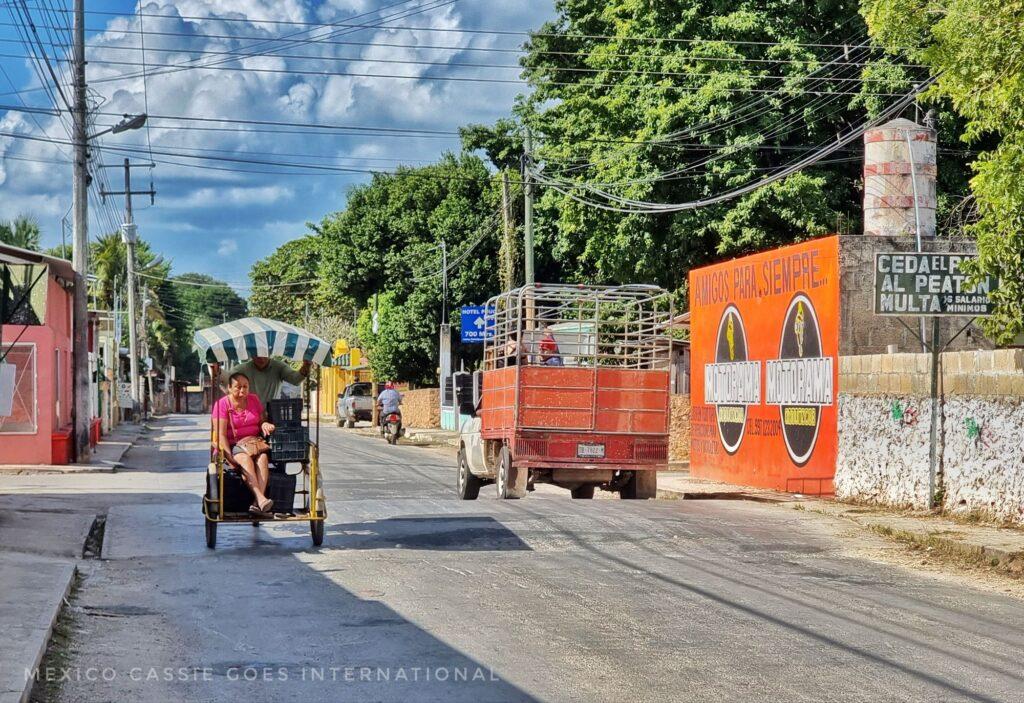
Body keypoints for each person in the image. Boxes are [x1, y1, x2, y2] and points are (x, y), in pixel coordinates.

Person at [212, 372, 276, 515]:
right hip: (232, 446)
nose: (242, 391)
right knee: (246, 460)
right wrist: (230, 459)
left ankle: (256, 503)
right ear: (229, 388)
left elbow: (261, 421)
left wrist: (265, 424)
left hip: (253, 444)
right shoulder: (221, 405)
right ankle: (260, 498)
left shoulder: (253, 400)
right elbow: (221, 435)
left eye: (245, 387)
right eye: (237, 387)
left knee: (263, 458)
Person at [212, 356, 311, 403]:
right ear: (252, 354)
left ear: (270, 352)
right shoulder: (242, 368)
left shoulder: (279, 366)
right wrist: (216, 370)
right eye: (257, 354)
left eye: (264, 353)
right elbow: (227, 378)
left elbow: (296, 380)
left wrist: (306, 365)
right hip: (249, 414)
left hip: (272, 414)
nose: (261, 358)